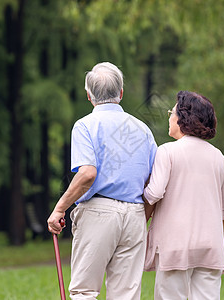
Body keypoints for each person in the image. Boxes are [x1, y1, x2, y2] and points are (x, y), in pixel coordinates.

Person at [47, 62, 157, 300]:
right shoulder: (142, 129)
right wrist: (142, 216)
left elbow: (87, 174)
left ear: (89, 96)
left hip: (98, 212)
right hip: (136, 214)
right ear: (121, 93)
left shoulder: (85, 125)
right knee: (126, 295)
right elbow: (153, 181)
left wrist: (59, 209)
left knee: (85, 292)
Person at [143, 91, 224, 300]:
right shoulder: (219, 158)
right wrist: (214, 240)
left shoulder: (167, 152)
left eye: (171, 112)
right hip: (211, 248)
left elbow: (154, 193)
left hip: (174, 246)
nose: (169, 117)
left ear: (183, 118)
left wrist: (142, 188)